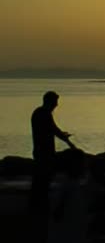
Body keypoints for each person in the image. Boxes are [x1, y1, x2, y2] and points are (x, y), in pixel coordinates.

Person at [30, 90, 75, 218]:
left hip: (42, 151)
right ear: (50, 101)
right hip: (44, 152)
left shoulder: (40, 113)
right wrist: (69, 143)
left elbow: (53, 129)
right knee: (42, 180)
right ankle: (39, 208)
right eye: (55, 102)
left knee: (40, 180)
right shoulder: (43, 114)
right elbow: (54, 130)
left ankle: (37, 206)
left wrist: (63, 136)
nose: (57, 105)